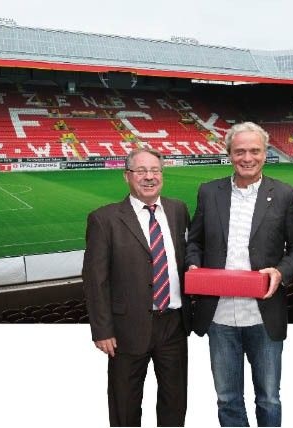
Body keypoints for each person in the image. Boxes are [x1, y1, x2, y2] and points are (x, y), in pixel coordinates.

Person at [186, 121, 293, 427]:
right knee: (227, 399)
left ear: (266, 153)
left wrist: (280, 272)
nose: (247, 157)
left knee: (268, 397)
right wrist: (194, 264)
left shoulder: (285, 194)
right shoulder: (209, 192)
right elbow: (194, 241)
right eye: (240, 151)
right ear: (229, 154)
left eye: (255, 150)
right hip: (220, 316)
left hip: (262, 315)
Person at [82, 147, 191, 427]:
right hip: (126, 329)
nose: (149, 177)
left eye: (155, 170)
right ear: (126, 176)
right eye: (141, 171)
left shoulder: (178, 209)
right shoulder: (104, 219)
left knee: (175, 401)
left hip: (174, 324)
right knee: (125, 404)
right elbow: (96, 279)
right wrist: (102, 329)